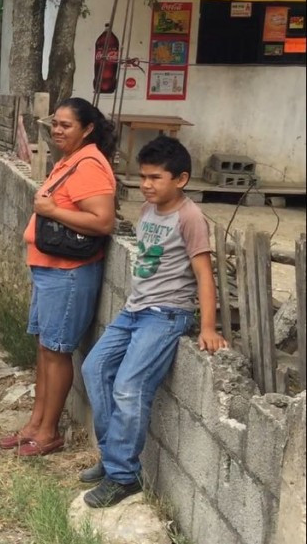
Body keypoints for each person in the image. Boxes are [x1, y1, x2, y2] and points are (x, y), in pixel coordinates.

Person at [80, 136, 227, 507]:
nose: (146, 185)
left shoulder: (190, 217)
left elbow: (205, 275)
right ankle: (114, 454)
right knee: (95, 369)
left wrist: (207, 326)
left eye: (155, 177)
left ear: (180, 179)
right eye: (142, 177)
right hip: (133, 311)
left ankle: (123, 477)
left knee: (129, 388)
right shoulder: (148, 210)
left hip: (165, 315)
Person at [0, 97, 117, 457]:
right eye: (56, 124)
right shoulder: (71, 161)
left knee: (57, 352)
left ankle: (49, 431)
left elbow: (102, 220)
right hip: (50, 270)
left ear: (88, 129)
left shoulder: (90, 165)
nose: (58, 130)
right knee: (45, 350)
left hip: (69, 273)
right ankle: (35, 424)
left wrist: (50, 210)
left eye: (67, 125)